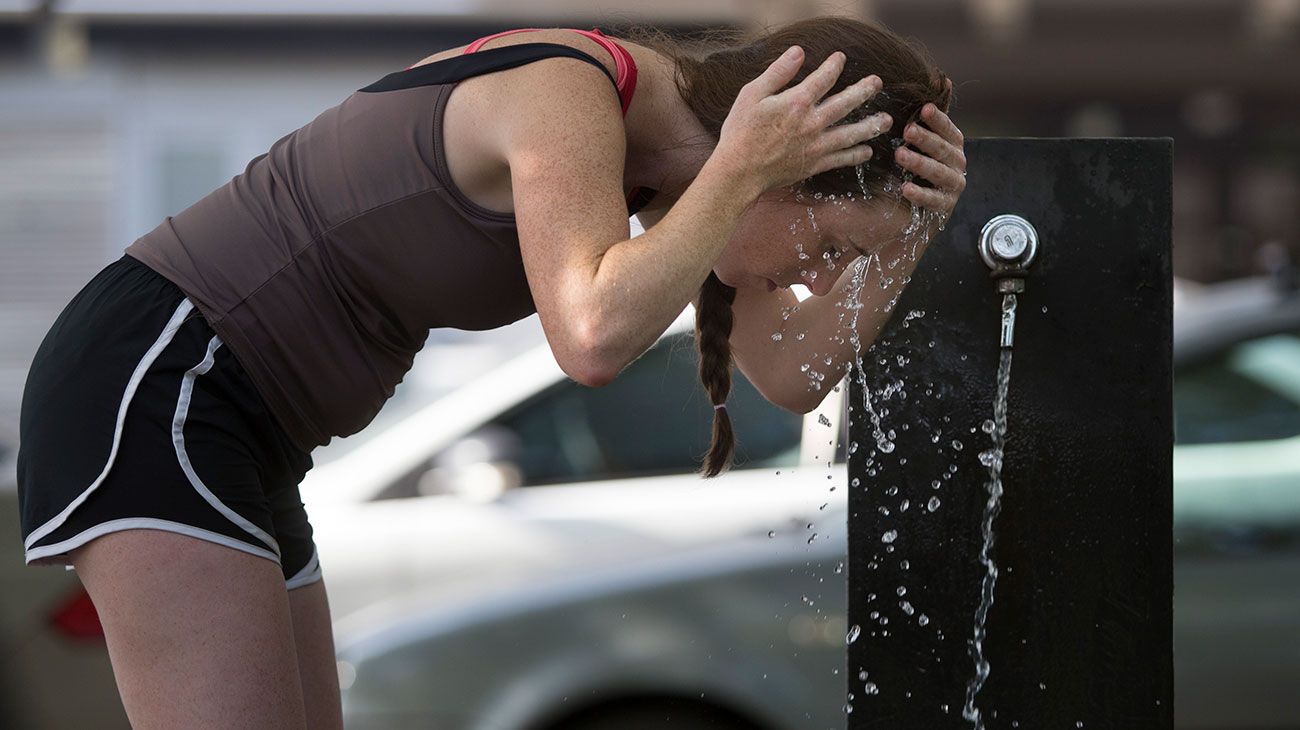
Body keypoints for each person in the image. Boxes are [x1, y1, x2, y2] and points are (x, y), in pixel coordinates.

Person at [15, 15, 965, 729]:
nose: (817, 278)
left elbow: (788, 378)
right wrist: (738, 174)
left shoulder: (677, 188)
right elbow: (589, 337)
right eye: (833, 244)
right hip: (163, 377)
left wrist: (906, 235)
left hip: (249, 429)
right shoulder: (568, 94)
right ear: (779, 164)